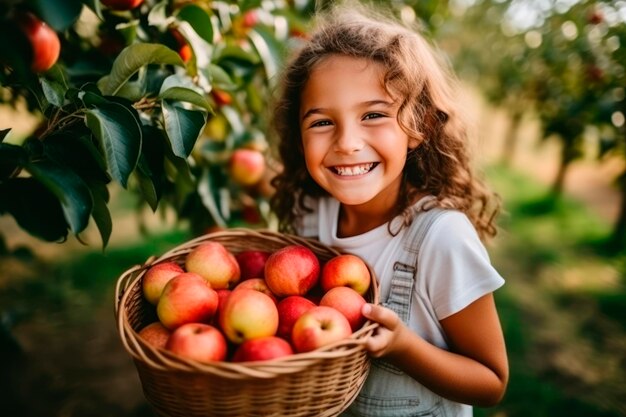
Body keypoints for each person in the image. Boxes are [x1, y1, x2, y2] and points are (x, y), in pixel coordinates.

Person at [268, 2, 509, 416]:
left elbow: (491, 382)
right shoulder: (312, 213)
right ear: (299, 134)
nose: (346, 142)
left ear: (420, 128)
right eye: (322, 122)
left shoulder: (441, 239)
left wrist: (404, 347)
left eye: (374, 115)